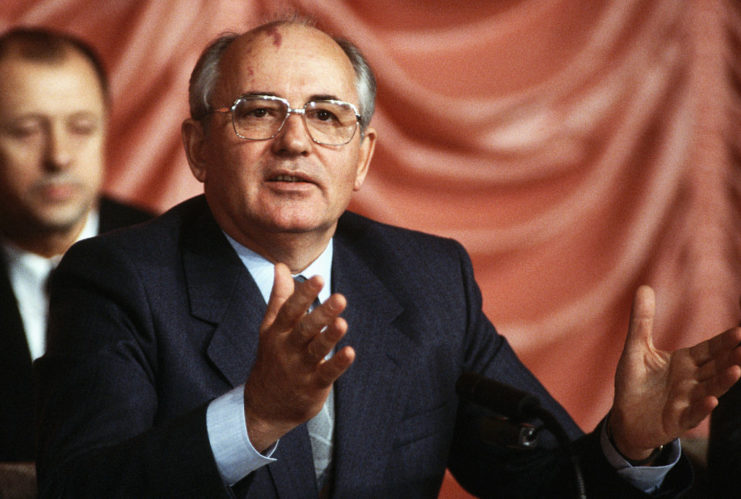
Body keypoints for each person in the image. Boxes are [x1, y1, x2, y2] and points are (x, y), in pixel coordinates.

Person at [34, 18, 741, 498]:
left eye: (327, 115)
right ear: (196, 148)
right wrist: (253, 417)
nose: (294, 141)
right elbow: (82, 485)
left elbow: (543, 483)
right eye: (257, 110)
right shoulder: (116, 280)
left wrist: (627, 444)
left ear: (363, 156)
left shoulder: (429, 279)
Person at [0, 27, 152, 495]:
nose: (59, 155)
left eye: (81, 127)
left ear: (108, 125)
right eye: (26, 130)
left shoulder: (172, 255)